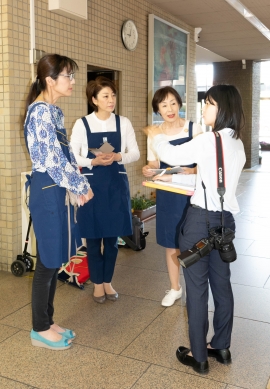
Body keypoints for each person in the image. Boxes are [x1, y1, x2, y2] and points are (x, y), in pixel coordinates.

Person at [146, 84, 246, 374]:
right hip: (225, 222)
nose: (204, 109)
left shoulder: (208, 140)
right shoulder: (237, 142)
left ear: (222, 108)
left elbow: (173, 154)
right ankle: (222, 346)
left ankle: (199, 355)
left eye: (209, 104)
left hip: (200, 223)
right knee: (222, 285)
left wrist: (157, 135)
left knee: (198, 289)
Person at [24, 54, 94, 350]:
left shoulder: (54, 111)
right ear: (50, 80)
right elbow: (52, 161)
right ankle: (39, 328)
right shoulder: (39, 112)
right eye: (68, 75)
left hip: (57, 189)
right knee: (47, 263)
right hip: (47, 188)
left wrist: (77, 185)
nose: (73, 81)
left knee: (53, 261)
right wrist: (80, 185)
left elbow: (65, 158)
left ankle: (48, 320)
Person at [70, 76, 140, 303]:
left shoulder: (124, 122)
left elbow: (135, 153)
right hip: (91, 187)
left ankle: (107, 282)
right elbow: (73, 156)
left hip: (116, 186)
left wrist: (118, 155)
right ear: (94, 99)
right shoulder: (83, 123)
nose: (111, 100)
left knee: (111, 239)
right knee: (92, 239)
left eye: (113, 95)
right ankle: (97, 284)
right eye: (105, 96)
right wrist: (93, 162)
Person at [142, 86, 203, 307]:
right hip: (168, 193)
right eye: (164, 105)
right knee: (171, 242)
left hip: (190, 193)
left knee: (194, 241)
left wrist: (192, 171)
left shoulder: (194, 129)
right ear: (157, 109)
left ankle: (196, 289)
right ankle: (175, 288)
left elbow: (205, 163)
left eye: (173, 103)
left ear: (180, 104)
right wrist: (149, 170)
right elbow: (154, 163)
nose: (170, 109)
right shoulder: (155, 133)